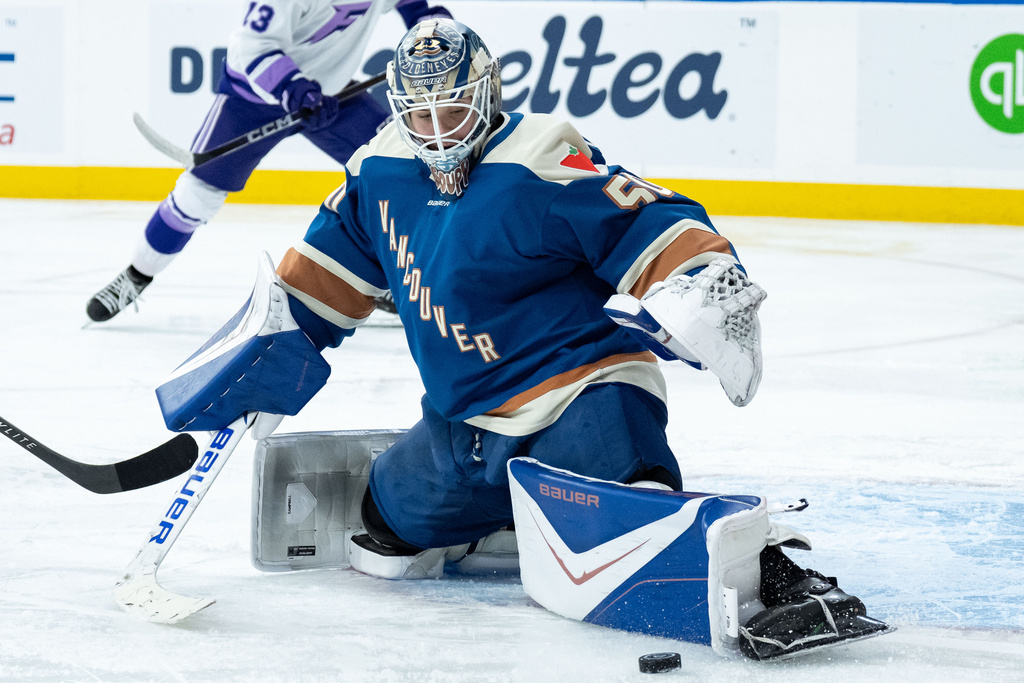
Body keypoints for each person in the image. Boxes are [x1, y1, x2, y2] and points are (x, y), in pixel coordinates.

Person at [154, 18, 889, 659]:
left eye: (454, 108)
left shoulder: (539, 158)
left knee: (636, 505)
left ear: (487, 93)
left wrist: (702, 281)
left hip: (580, 391)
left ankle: (765, 572)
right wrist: (266, 356)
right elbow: (316, 286)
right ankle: (507, 515)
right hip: (464, 423)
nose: (438, 131)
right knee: (381, 533)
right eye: (421, 114)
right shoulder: (377, 170)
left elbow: (654, 220)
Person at [85, 0, 449, 323]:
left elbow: (416, 9)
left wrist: (442, 35)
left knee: (400, 166)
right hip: (253, 99)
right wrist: (292, 88)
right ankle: (136, 275)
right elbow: (252, 46)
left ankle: (392, 279)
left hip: (331, 95)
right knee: (197, 195)